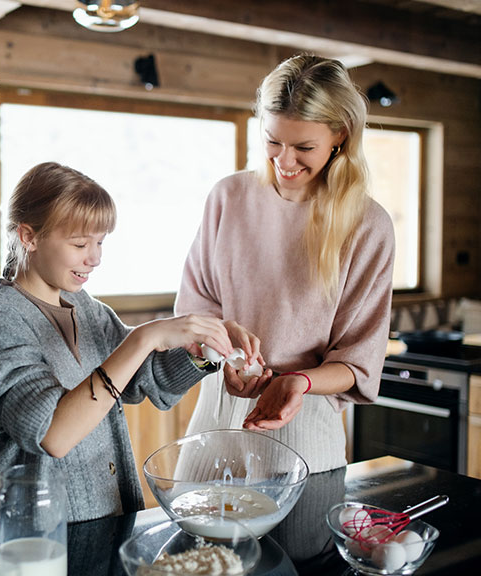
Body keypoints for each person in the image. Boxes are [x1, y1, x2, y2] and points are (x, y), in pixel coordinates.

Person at [0, 161, 260, 534]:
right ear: (28, 237)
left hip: (110, 516)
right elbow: (54, 434)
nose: (95, 257)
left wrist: (202, 349)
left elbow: (138, 375)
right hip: (40, 536)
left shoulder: (86, 308)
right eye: (80, 244)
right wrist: (144, 337)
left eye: (100, 242)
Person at [175, 54, 395, 474]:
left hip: (303, 417)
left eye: (304, 147)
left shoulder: (368, 225)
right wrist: (221, 344)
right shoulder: (228, 197)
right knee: (197, 539)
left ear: (341, 137)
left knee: (300, 543)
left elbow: (357, 361)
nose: (285, 161)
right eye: (273, 141)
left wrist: (299, 381)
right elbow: (194, 307)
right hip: (217, 408)